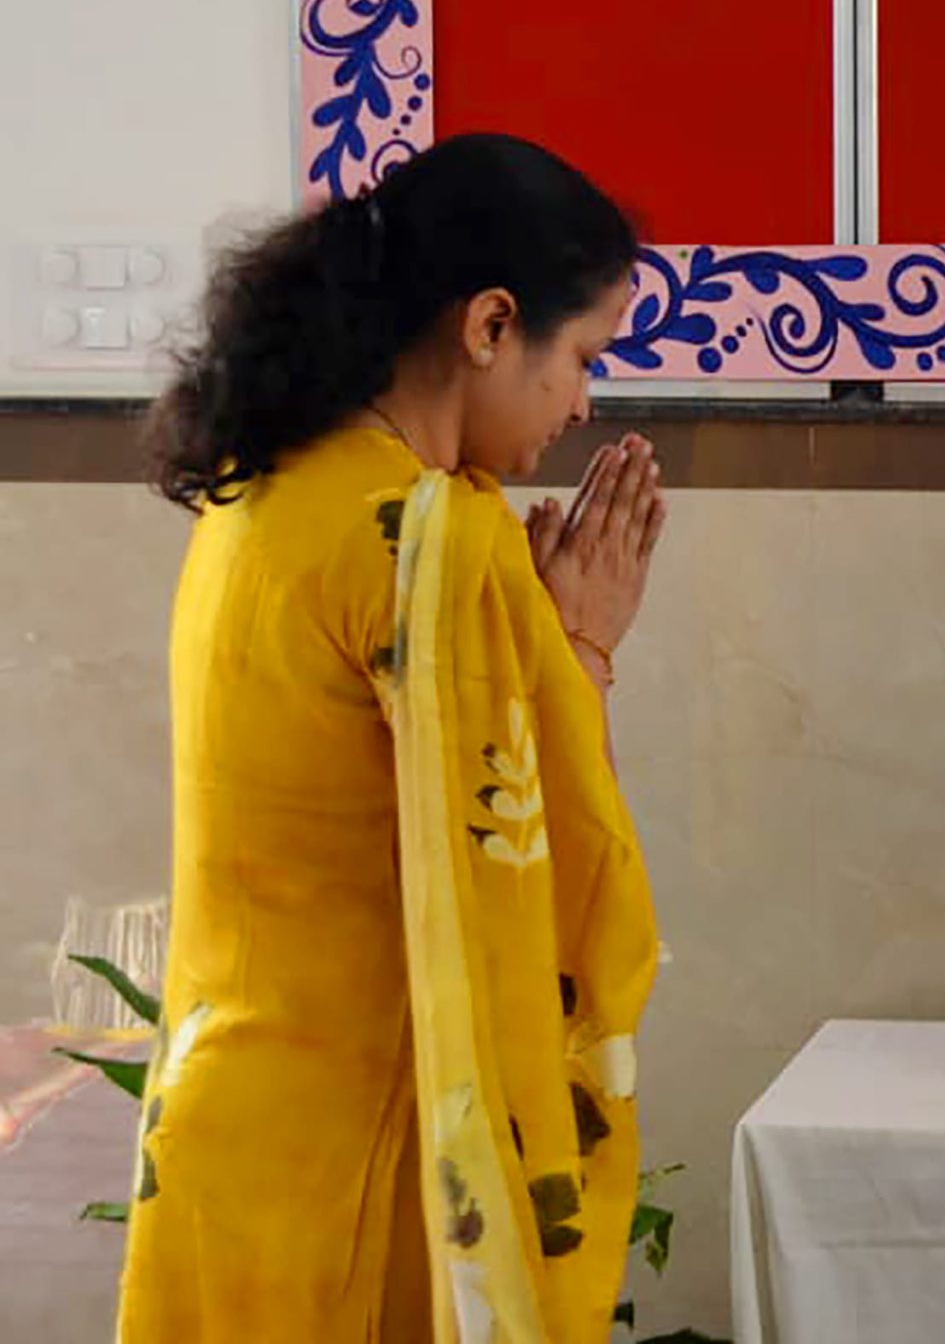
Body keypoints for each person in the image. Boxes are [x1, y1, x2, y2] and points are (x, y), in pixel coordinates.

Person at [120, 133, 669, 1342]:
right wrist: (580, 648)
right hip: (374, 1147)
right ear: (487, 325)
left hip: (226, 1123)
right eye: (582, 358)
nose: (584, 403)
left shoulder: (256, 486)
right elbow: (538, 876)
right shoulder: (430, 537)